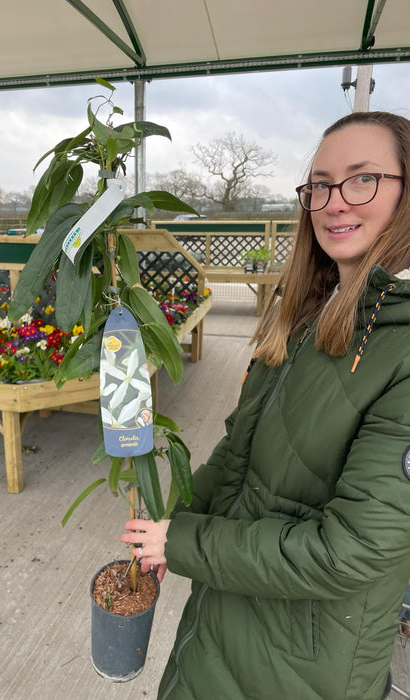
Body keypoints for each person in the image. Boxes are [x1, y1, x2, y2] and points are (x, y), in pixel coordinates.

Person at [121, 111, 410, 700]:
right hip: (234, 607)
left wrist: (183, 543)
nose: (334, 202)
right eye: (320, 185)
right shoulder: (312, 308)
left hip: (305, 657)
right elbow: (238, 450)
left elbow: (348, 552)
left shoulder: (400, 347)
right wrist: (172, 512)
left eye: (362, 179)